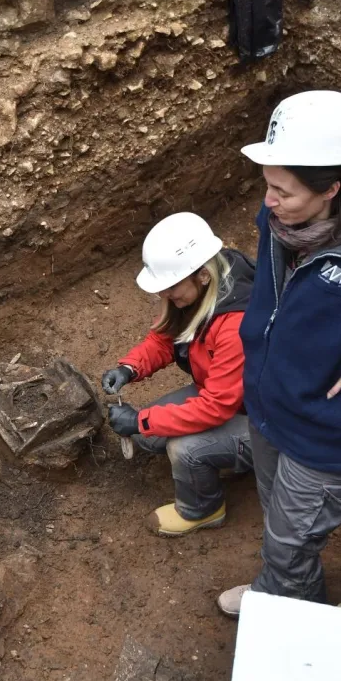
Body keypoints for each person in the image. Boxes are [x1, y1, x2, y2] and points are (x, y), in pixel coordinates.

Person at [217, 89, 341, 617]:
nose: (268, 201)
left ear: (331, 187)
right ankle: (280, 586)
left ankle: (292, 608)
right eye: (268, 185)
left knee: (289, 543)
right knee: (280, 523)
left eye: (282, 191)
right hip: (268, 410)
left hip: (324, 440)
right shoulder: (280, 224)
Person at [103, 212, 255, 535]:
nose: (164, 296)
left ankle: (203, 508)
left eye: (170, 288)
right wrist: (128, 368)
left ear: (201, 275)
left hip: (266, 425)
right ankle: (223, 456)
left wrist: (140, 419)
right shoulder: (199, 289)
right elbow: (164, 338)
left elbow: (216, 407)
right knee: (151, 434)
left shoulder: (235, 323)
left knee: (183, 448)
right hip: (229, 399)